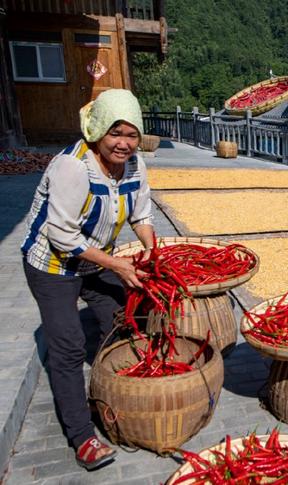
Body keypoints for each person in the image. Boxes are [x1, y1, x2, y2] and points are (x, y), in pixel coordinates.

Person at [21, 89, 154, 470]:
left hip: (95, 261)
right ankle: (82, 437)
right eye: (116, 134)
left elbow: (141, 213)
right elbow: (62, 235)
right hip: (53, 266)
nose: (124, 144)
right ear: (97, 131)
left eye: (132, 135)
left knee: (121, 319)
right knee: (68, 347)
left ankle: (113, 393)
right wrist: (116, 265)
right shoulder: (73, 167)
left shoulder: (135, 165)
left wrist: (151, 251)